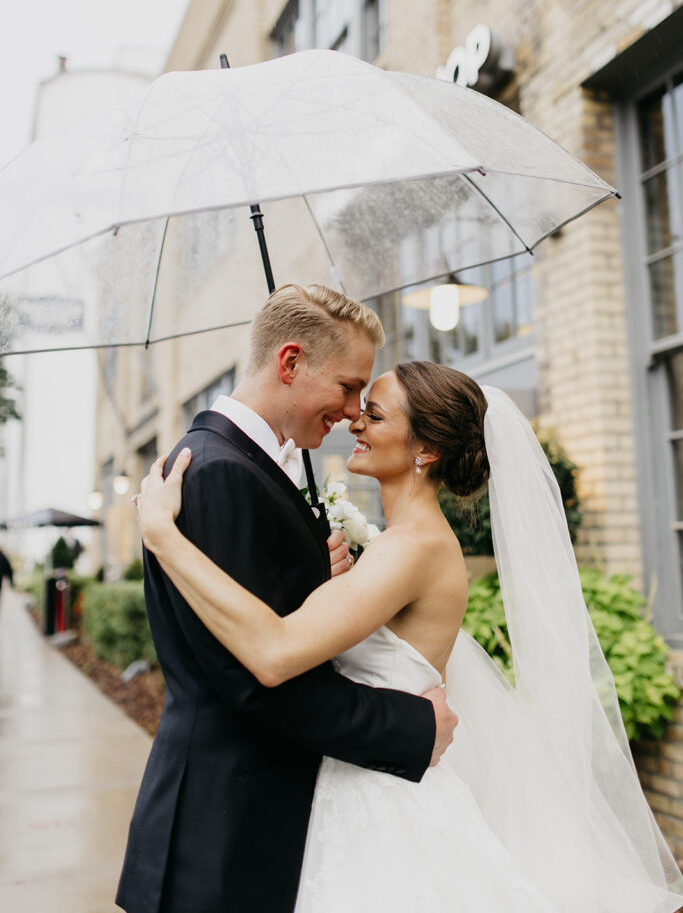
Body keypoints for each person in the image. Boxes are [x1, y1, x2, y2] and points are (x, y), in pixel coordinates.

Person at [136, 360, 683, 913]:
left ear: (425, 450)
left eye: (373, 413)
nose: (355, 422)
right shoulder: (406, 545)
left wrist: (164, 537)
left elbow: (276, 649)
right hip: (370, 774)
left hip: (380, 803)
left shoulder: (409, 549)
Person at [116, 286, 458, 913]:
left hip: (255, 818)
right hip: (224, 831)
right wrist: (408, 727)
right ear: (291, 362)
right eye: (350, 387)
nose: (354, 411)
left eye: (368, 401)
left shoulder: (248, 465)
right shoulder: (219, 472)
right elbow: (253, 676)